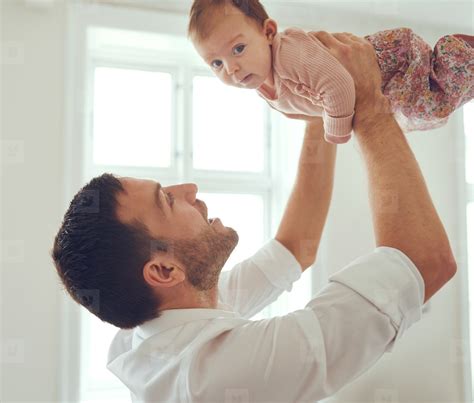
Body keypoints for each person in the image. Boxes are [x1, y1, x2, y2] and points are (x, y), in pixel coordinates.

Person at [51, 33, 457, 402]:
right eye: (168, 201)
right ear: (162, 269)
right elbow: (425, 262)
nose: (189, 190)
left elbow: (297, 246)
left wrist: (324, 104)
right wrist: (369, 107)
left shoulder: (156, 321)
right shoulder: (216, 375)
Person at [188, 0, 474, 144]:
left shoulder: (287, 53)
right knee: (427, 108)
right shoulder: (263, 84)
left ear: (269, 32)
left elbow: (336, 84)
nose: (232, 68)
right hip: (382, 87)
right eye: (216, 63)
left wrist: (336, 132)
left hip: (389, 64)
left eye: (238, 49)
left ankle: (458, 50)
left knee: (430, 105)